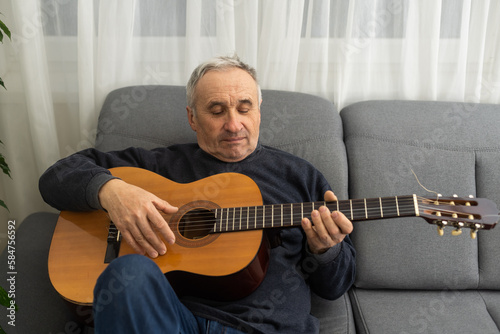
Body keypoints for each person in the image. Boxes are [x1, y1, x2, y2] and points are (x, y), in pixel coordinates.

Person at [39, 54, 356, 334]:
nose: (233, 125)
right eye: (217, 111)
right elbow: (55, 178)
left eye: (244, 109)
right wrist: (111, 192)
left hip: (267, 327)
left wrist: (325, 250)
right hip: (169, 323)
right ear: (192, 118)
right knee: (126, 272)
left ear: (258, 112)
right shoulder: (159, 165)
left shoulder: (300, 176)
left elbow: (335, 287)